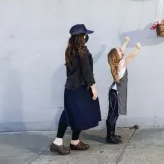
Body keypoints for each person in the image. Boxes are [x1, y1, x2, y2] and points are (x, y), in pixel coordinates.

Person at [50, 24, 101, 155]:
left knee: (76, 114)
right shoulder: (81, 51)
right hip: (78, 88)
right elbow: (87, 71)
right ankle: (57, 142)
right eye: (85, 35)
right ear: (82, 37)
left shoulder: (71, 50)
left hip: (73, 87)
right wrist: (93, 88)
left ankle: (75, 141)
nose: (86, 37)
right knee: (68, 114)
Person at [105, 36, 142, 144]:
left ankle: (111, 134)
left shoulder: (117, 62)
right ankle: (109, 136)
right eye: (119, 52)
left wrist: (126, 42)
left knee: (114, 114)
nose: (122, 51)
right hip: (115, 93)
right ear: (117, 56)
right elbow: (131, 56)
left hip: (114, 93)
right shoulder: (121, 63)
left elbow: (122, 50)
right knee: (113, 115)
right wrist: (138, 49)